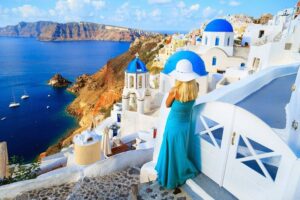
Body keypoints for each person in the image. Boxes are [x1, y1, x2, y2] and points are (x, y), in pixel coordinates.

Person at [155, 59, 200, 194]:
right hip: (185, 126)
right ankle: (178, 173)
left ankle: (170, 178)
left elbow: (167, 105)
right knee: (179, 152)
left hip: (173, 126)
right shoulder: (195, 88)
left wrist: (172, 93)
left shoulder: (174, 91)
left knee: (170, 151)